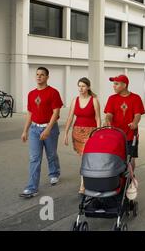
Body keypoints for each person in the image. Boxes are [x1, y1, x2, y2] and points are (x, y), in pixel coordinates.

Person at [20, 67, 63, 198]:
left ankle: (54, 173)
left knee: (51, 155)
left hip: (50, 128)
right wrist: (25, 130)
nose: (39, 77)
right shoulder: (31, 94)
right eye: (37, 74)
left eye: (42, 75)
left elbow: (56, 112)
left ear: (47, 77)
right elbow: (30, 113)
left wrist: (48, 129)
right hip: (34, 129)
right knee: (34, 158)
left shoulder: (53, 92)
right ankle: (32, 188)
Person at [63, 77, 101, 194]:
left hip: (91, 132)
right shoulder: (75, 100)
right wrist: (65, 133)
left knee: (86, 158)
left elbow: (98, 118)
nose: (81, 88)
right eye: (79, 86)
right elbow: (70, 117)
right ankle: (88, 180)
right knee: (84, 159)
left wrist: (97, 133)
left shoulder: (94, 100)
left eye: (83, 86)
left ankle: (83, 185)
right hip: (77, 132)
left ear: (88, 87)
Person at [103, 74, 145, 173]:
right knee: (115, 157)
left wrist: (135, 123)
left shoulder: (135, 98)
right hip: (115, 135)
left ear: (124, 85)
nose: (114, 86)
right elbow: (109, 114)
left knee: (130, 159)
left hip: (130, 134)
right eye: (113, 84)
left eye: (116, 84)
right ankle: (117, 177)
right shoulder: (112, 98)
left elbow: (138, 114)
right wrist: (107, 120)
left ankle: (130, 179)